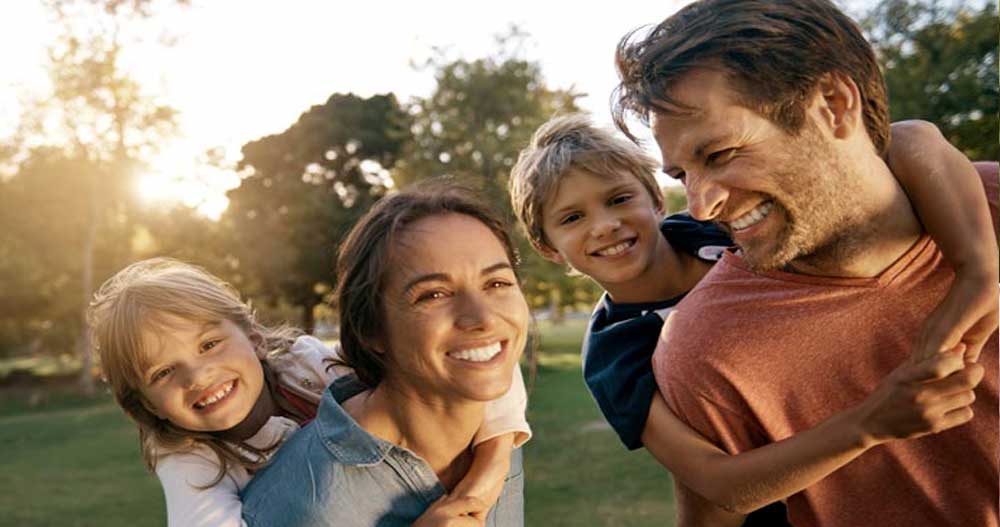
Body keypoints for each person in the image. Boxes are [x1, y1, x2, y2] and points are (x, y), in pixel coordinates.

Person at [611, 0, 999, 525]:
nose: (701, 207)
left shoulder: (984, 207)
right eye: (682, 175)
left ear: (834, 105)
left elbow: (912, 137)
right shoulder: (705, 348)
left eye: (721, 154)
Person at [509, 112, 994, 525]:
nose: (606, 225)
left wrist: (979, 269)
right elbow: (719, 484)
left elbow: (910, 138)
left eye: (618, 199)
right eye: (572, 218)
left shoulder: (719, 224)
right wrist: (868, 424)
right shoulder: (618, 349)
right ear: (548, 248)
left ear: (656, 199)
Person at [88, 256, 530, 527]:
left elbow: (479, 363)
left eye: (209, 345)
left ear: (254, 337)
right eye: (164, 372)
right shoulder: (189, 457)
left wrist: (485, 477)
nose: (198, 377)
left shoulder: (309, 366)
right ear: (145, 404)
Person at [239, 182, 531, 526]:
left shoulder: (497, 434)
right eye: (434, 294)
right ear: (370, 330)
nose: (483, 319)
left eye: (497, 283)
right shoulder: (304, 503)